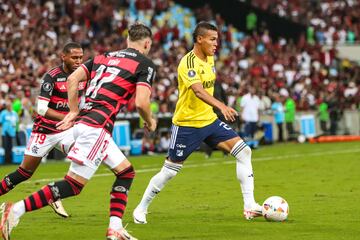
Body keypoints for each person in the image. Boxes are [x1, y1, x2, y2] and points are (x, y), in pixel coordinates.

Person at [0, 23, 157, 240]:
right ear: (147, 43)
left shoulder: (103, 57)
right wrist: (150, 120)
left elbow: (73, 79)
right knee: (73, 185)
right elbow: (141, 103)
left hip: (84, 123)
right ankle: (15, 210)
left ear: (127, 41)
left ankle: (115, 228)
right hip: (95, 128)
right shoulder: (145, 64)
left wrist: (74, 110)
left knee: (126, 172)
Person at [133, 21, 262, 225]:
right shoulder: (188, 62)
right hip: (187, 124)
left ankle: (250, 206)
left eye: (217, 39)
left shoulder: (210, 58)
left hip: (208, 121)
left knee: (244, 152)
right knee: (169, 171)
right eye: (212, 39)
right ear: (199, 39)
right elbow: (198, 91)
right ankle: (141, 208)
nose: (216, 43)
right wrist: (222, 107)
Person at [0, 42, 84, 218]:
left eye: (80, 58)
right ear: (63, 57)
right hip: (44, 131)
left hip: (66, 130)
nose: (78, 61)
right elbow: (42, 109)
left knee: (83, 156)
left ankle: (55, 193)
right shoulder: (51, 76)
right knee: (24, 173)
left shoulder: (83, 76)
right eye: (74, 57)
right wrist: (68, 117)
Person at [0, 99, 18, 164]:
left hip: (12, 132)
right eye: (7, 105)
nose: (9, 106)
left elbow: (16, 122)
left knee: (11, 146)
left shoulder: (14, 113)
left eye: (10, 105)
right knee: (6, 146)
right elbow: (0, 122)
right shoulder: (3, 113)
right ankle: (6, 160)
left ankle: (10, 159)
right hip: (5, 132)